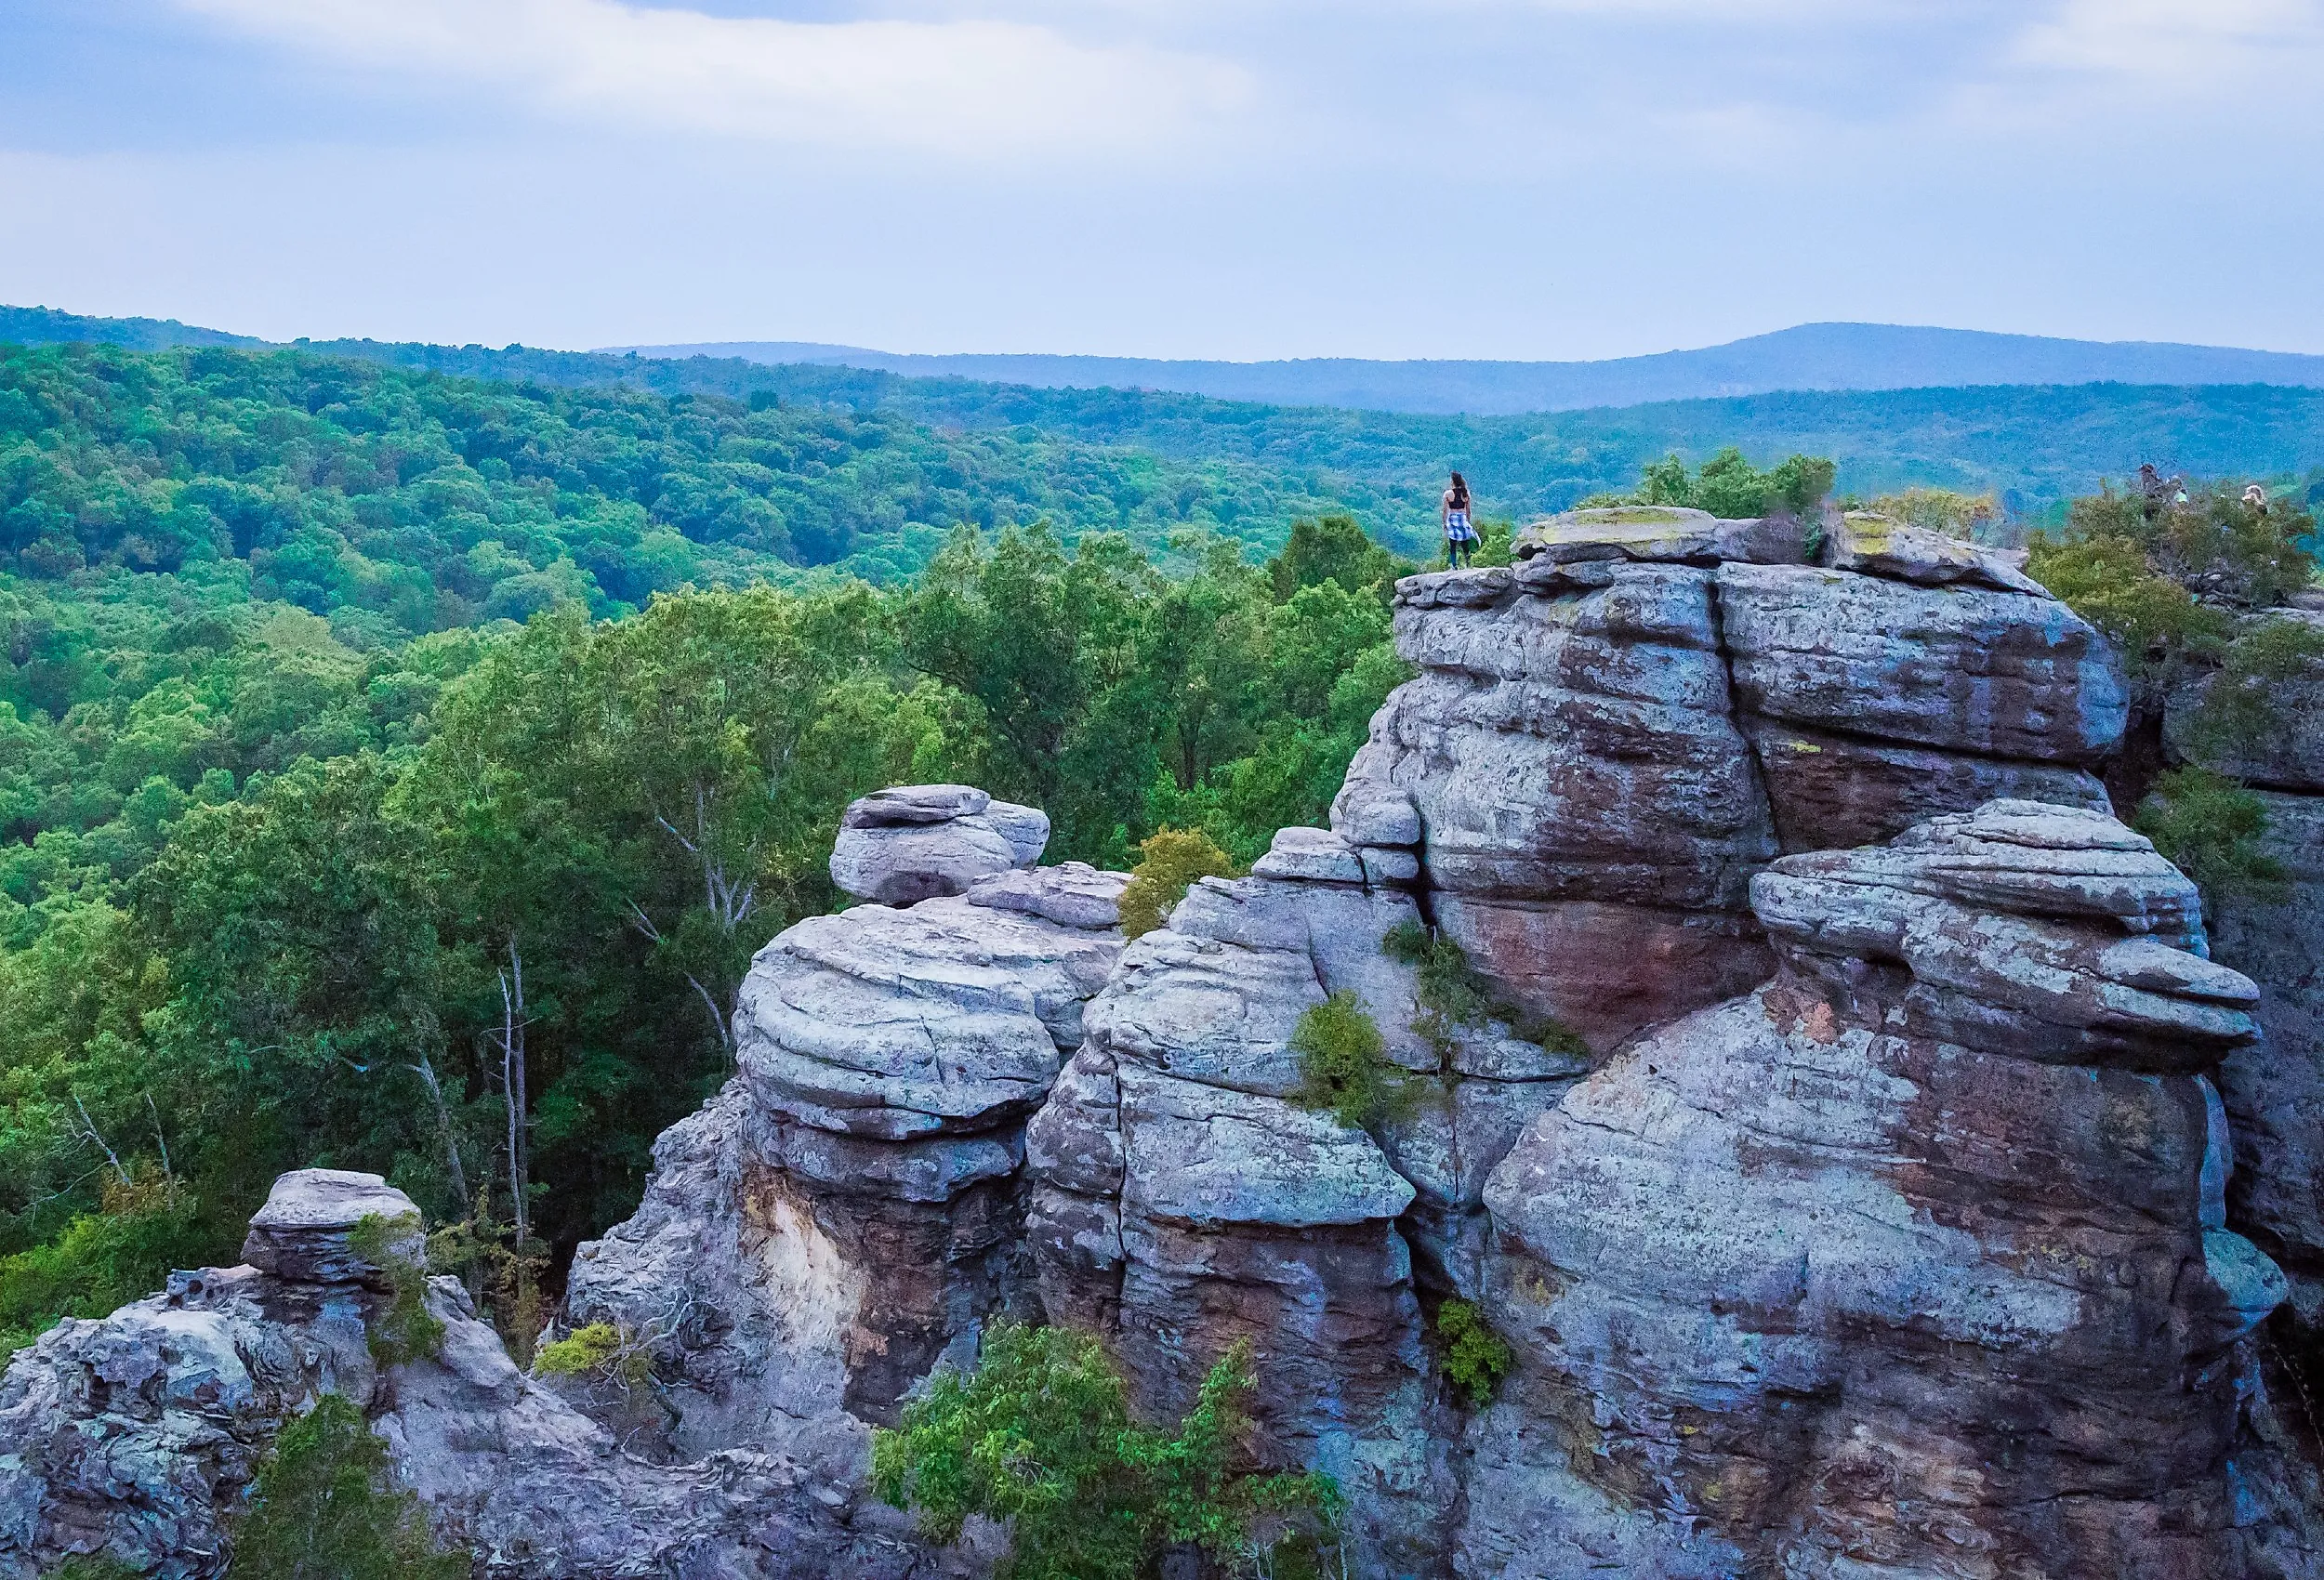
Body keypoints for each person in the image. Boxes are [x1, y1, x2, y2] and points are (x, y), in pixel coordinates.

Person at [1442, 472, 1480, 568]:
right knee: (1465, 544)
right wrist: (1468, 521)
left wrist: (1444, 522)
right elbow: (1468, 510)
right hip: (1462, 518)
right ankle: (1468, 563)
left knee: (1453, 544)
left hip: (1452, 518)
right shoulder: (1465, 493)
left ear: (1453, 481)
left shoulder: (1448, 494)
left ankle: (1454, 565)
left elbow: (1445, 510)